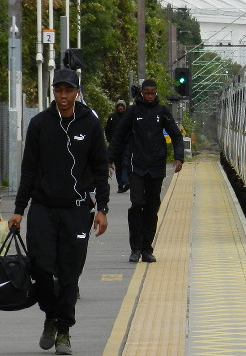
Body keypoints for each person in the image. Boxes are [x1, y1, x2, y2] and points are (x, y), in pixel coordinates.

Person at [7, 68, 109, 356]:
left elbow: (101, 169)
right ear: (53, 92)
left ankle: (63, 330)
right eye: (58, 91)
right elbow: (28, 170)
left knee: (69, 274)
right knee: (40, 267)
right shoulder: (39, 124)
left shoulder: (90, 124)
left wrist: (102, 208)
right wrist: (19, 210)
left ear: (77, 92)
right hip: (42, 209)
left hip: (77, 211)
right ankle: (50, 316)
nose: (63, 97)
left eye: (68, 91)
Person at [107, 79, 184, 264]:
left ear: (156, 93)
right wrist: (108, 159)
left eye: (152, 93)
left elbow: (176, 134)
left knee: (151, 208)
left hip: (156, 168)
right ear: (141, 93)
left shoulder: (162, 112)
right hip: (137, 166)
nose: (149, 97)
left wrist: (178, 157)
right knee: (136, 204)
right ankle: (135, 248)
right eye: (146, 93)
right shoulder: (133, 112)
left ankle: (147, 249)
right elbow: (118, 135)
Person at [105, 99, 130, 193]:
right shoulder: (112, 117)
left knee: (125, 163)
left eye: (122, 106)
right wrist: (110, 141)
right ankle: (120, 185)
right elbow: (107, 130)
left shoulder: (127, 117)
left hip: (126, 144)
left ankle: (125, 181)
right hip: (115, 145)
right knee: (118, 166)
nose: (120, 108)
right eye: (119, 106)